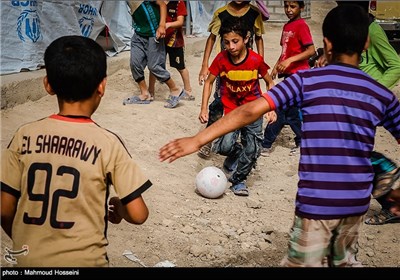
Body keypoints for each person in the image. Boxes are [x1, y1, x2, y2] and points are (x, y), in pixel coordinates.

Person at [160, 4, 400, 266]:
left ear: (326, 44)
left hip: (317, 202)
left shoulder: (306, 81)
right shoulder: (380, 94)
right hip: (355, 202)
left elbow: (250, 111)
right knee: (342, 258)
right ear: (366, 42)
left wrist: (197, 140)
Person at [0, 35, 152, 267]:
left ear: (48, 85)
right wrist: (119, 209)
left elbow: (4, 208)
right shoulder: (108, 143)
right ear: (102, 86)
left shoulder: (24, 135)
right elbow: (139, 214)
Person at [334, 1, 400, 225]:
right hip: (350, 99)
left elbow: (396, 64)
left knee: (356, 156)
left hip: (364, 102)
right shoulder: (350, 27)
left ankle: (391, 194)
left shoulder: (371, 29)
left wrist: (374, 91)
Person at [199, 17, 273, 196]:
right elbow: (209, 82)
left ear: (246, 39)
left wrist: (271, 109)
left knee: (253, 147)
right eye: (226, 42)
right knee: (223, 147)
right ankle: (236, 154)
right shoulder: (221, 59)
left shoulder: (256, 61)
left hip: (254, 110)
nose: (230, 46)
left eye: (235, 41)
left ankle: (239, 180)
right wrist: (203, 108)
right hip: (231, 112)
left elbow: (270, 82)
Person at [197, 0, 266, 159]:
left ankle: (244, 140)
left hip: (247, 69)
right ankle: (209, 139)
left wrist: (260, 63)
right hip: (225, 71)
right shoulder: (221, 14)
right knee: (220, 102)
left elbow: (259, 38)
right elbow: (212, 38)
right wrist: (205, 64)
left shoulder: (254, 13)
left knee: (247, 101)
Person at [261, 1, 315, 157]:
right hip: (288, 76)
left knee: (282, 109)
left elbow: (310, 50)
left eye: (293, 7)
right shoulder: (287, 27)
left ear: (301, 8)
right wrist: (276, 66)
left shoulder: (301, 26)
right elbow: (285, 52)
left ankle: (266, 144)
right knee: (289, 111)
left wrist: (290, 61)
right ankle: (300, 141)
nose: (289, 10)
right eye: (286, 6)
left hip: (299, 76)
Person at [124, 0, 185, 108]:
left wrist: (162, 25)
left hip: (153, 34)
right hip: (138, 34)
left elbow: (161, 4)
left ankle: (175, 89)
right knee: (135, 64)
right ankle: (145, 94)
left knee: (154, 66)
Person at [148, 0, 195, 101]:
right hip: (159, 40)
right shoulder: (157, 2)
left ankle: (188, 91)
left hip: (174, 41)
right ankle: (150, 91)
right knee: (154, 66)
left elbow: (180, 21)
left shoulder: (178, 3)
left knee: (180, 66)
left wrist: (167, 25)